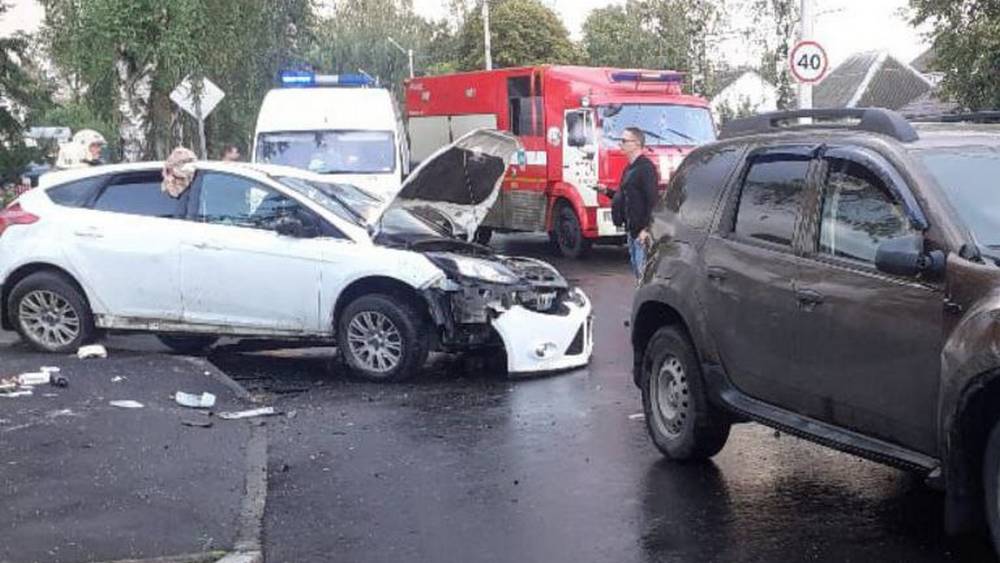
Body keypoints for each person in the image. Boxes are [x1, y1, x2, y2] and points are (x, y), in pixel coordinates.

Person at [605, 127, 658, 281]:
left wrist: (647, 229)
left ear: (636, 143)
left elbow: (653, 201)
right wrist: (606, 191)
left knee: (643, 277)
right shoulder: (629, 168)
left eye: (624, 141)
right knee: (637, 272)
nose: (620, 144)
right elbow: (623, 196)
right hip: (631, 231)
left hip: (641, 233)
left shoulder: (646, 168)